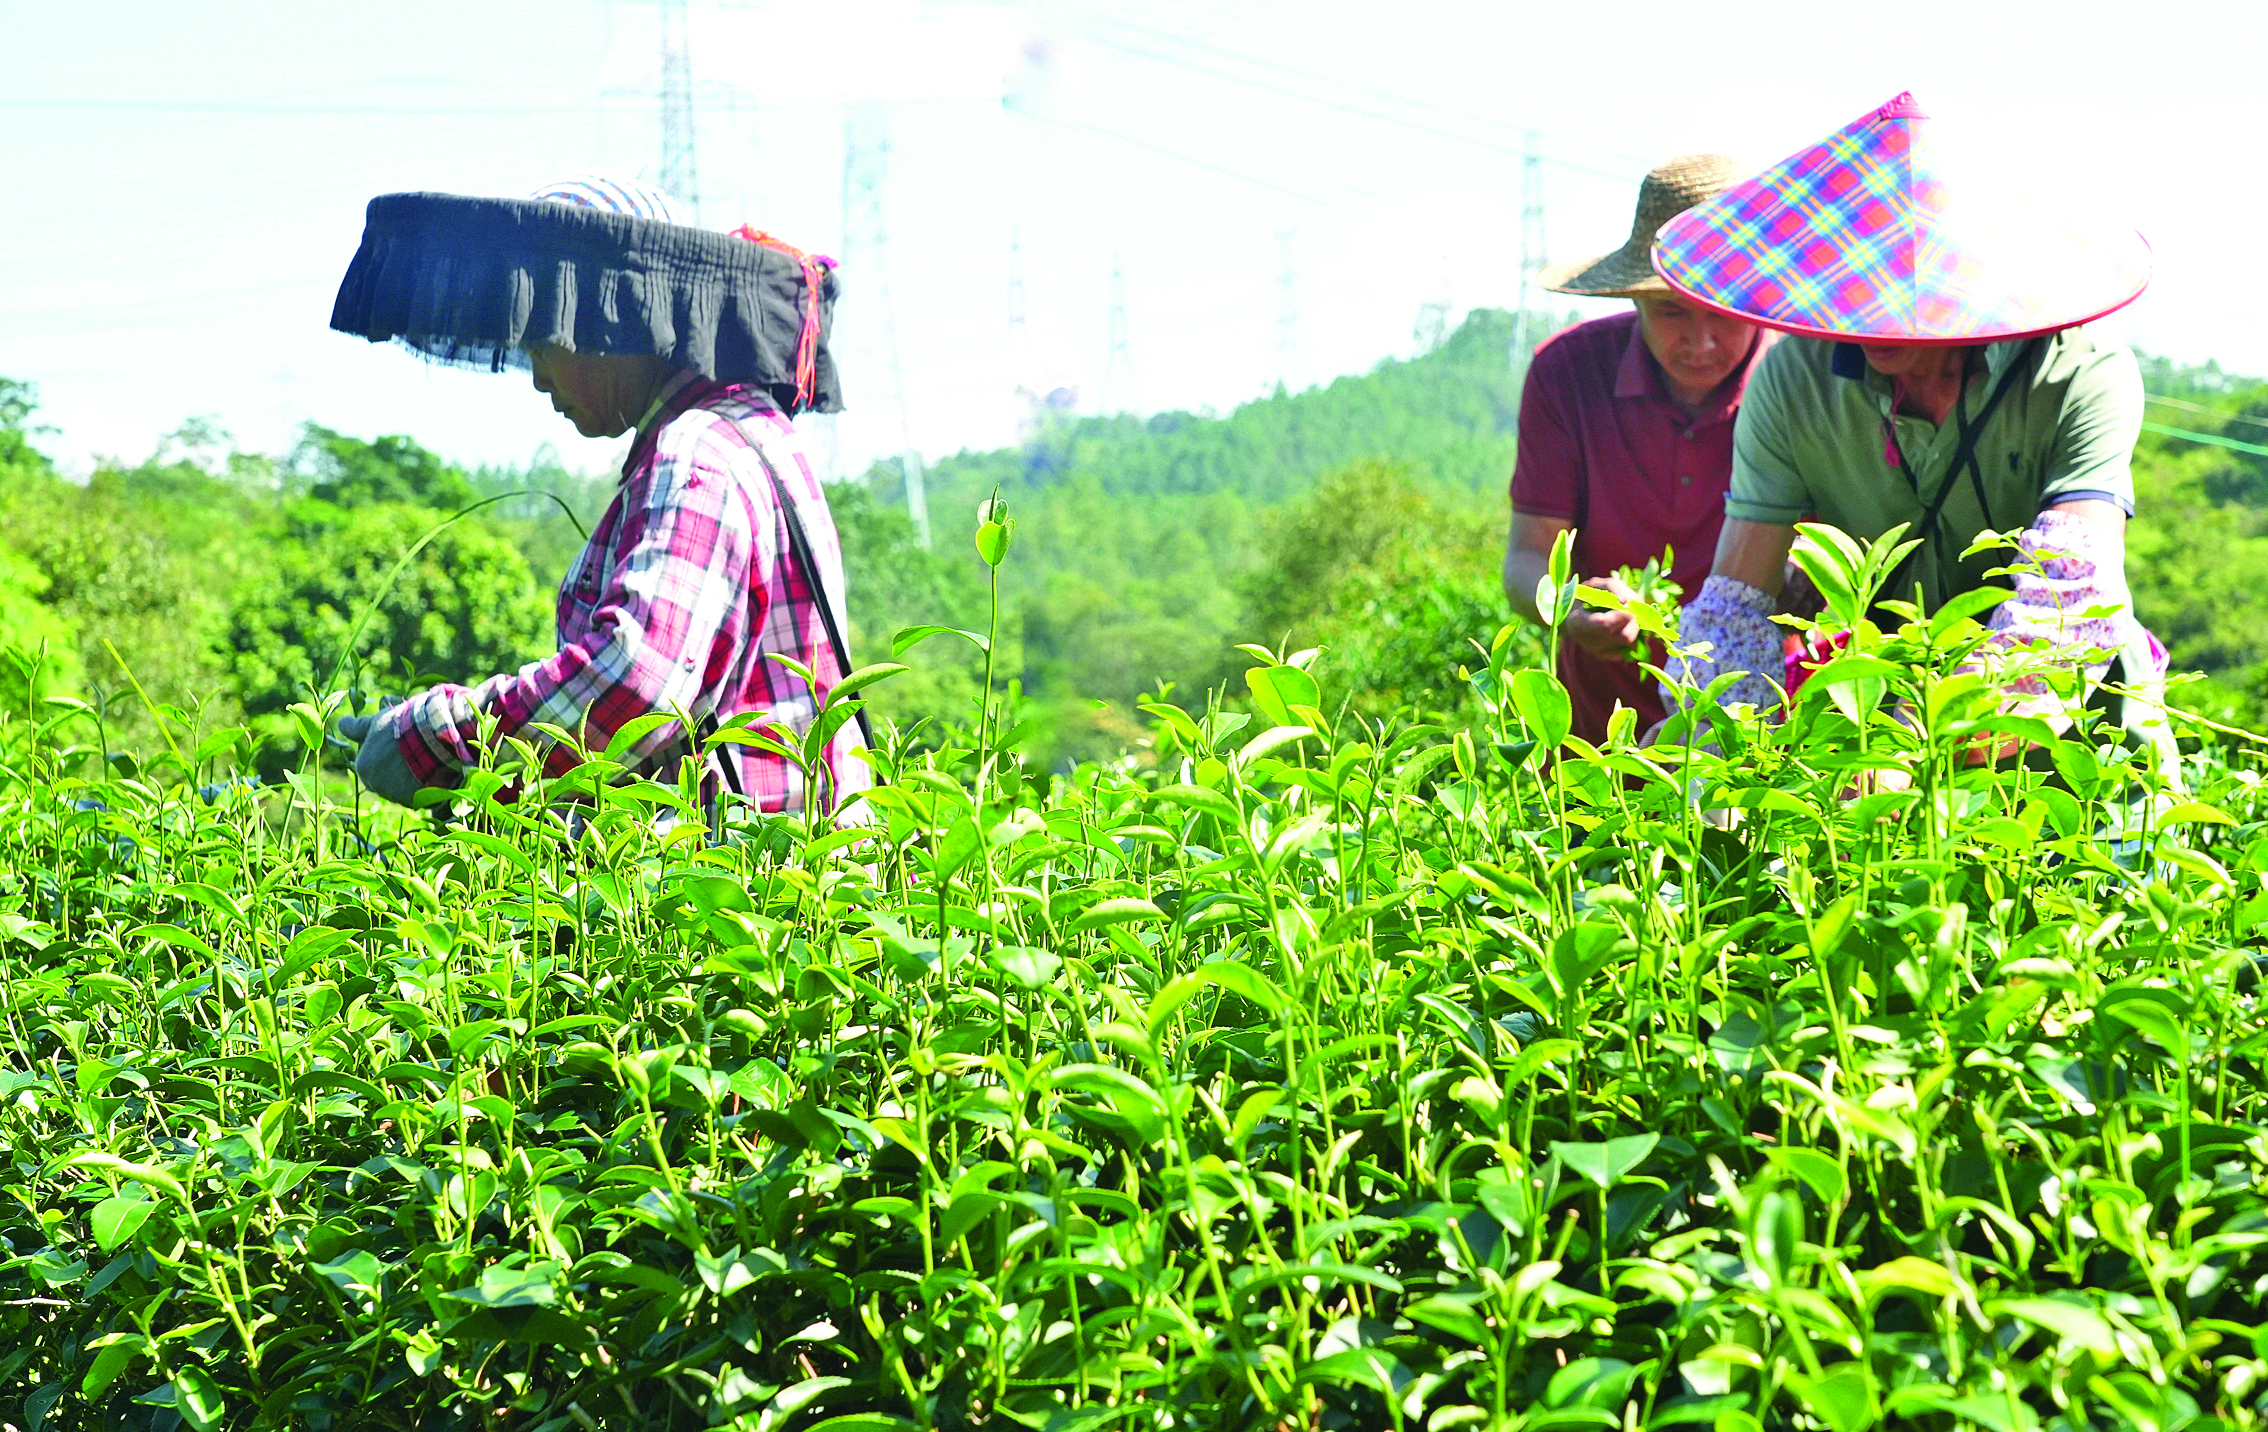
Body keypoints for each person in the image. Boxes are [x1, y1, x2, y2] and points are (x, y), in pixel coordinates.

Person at [326, 177, 869, 816]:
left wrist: (434, 734)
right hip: (797, 873)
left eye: (544, 340)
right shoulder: (745, 430)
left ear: (615, 324)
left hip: (743, 883)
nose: (538, 376)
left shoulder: (696, 455)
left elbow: (633, 687)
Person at [1645, 93, 2167, 752]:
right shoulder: (1794, 380)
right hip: (1881, 731)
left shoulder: (2078, 372)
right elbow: (1735, 605)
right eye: (1856, 282)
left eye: (1899, 286)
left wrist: (1929, 748)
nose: (1873, 313)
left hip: (2075, 748)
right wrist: (1719, 739)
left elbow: (2071, 598)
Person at [1504, 154, 1770, 744]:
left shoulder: (1805, 379)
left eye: (1722, 313)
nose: (1702, 342)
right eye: (1672, 310)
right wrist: (1569, 609)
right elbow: (1527, 558)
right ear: (1633, 300)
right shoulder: (1568, 374)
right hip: (1597, 736)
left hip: (1760, 733)